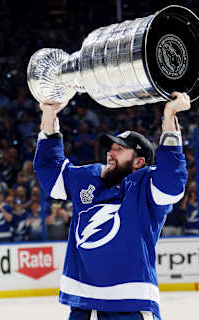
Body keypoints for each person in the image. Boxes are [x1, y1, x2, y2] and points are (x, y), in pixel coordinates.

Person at [33, 92, 189, 320]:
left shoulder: (146, 186)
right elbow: (49, 169)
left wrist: (170, 115)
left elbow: (172, 182)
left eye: (120, 149)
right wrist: (49, 113)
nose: (110, 152)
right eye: (111, 147)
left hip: (130, 305)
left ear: (139, 162)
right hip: (83, 305)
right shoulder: (89, 176)